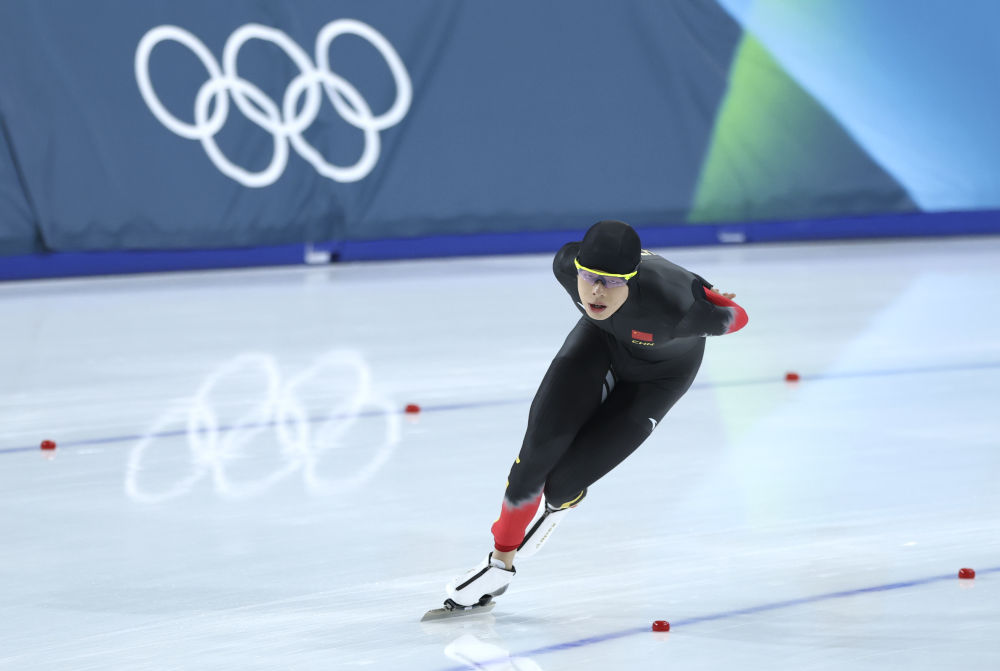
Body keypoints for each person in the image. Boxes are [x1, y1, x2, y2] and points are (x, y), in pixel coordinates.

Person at [442, 220, 748, 610]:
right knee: (534, 458)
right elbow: (587, 274)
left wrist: (712, 298)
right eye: (590, 277)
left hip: (659, 379)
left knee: (561, 486)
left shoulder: (676, 307)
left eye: (613, 282)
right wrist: (502, 555)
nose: (597, 291)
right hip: (598, 344)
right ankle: (499, 566)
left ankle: (561, 503)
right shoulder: (565, 266)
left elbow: (738, 316)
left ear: (632, 278)